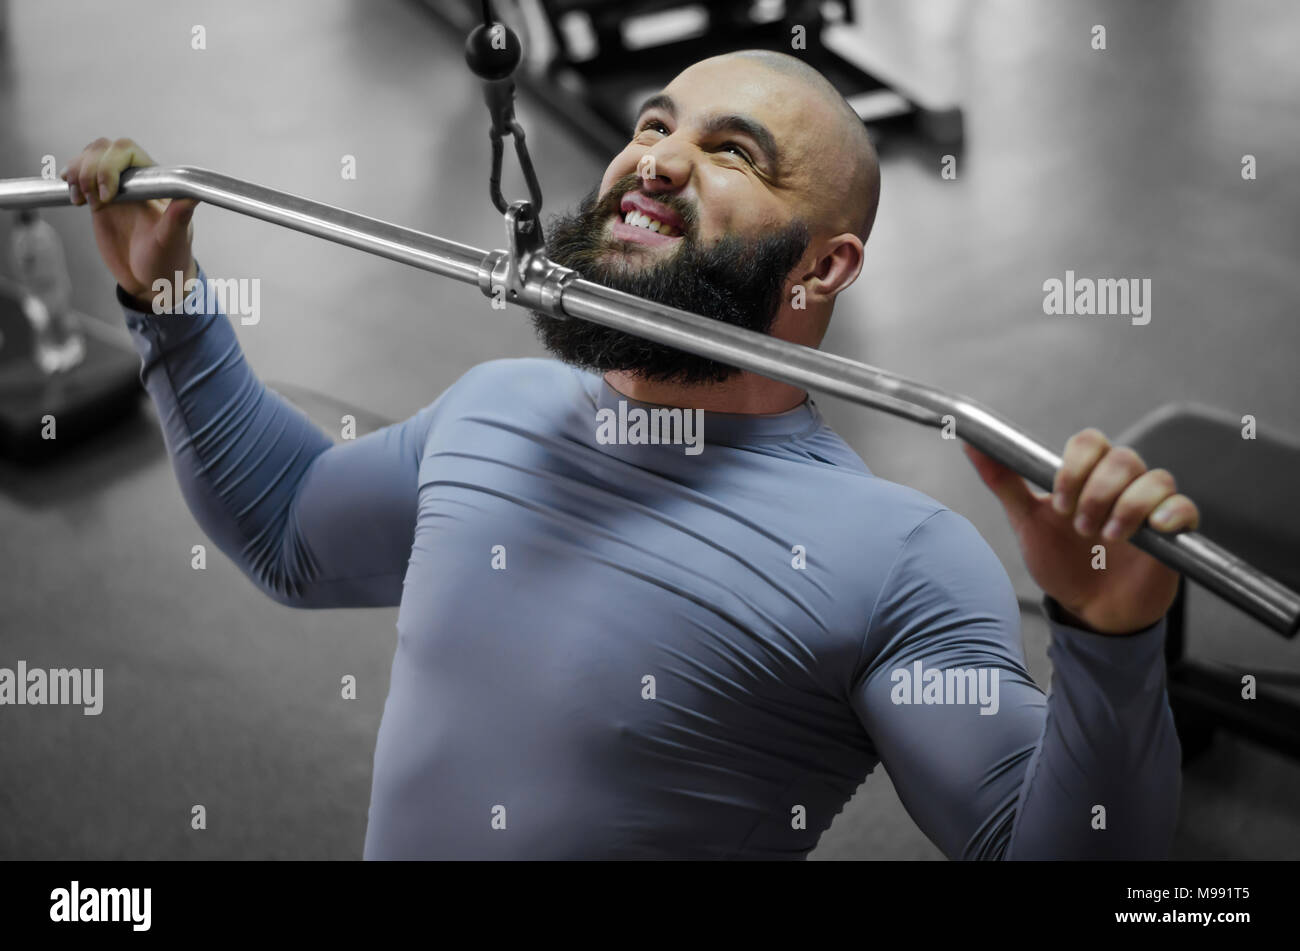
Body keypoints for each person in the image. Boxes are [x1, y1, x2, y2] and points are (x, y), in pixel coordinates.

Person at [62, 49, 1197, 859]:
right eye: (653, 126)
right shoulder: (495, 406)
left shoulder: (896, 559)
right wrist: (164, 297)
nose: (654, 159)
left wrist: (1110, 642)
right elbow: (290, 528)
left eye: (729, 151)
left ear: (825, 269)